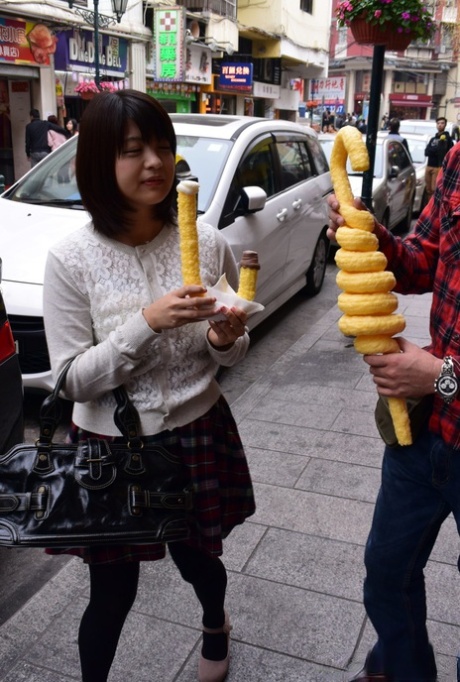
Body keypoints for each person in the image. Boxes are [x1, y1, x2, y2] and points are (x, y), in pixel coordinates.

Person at [42, 90, 255, 682]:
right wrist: (146, 325)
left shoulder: (209, 243)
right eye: (134, 151)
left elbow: (234, 350)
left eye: (163, 147)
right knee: (111, 593)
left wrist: (223, 340)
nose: (155, 163)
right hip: (110, 448)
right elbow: (68, 381)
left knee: (199, 561)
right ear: (99, 164)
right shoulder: (70, 258)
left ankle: (216, 624)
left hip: (196, 432)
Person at [326, 139, 460, 681]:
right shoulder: (457, 161)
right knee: (387, 573)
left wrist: (443, 375)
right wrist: (368, 234)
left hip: (436, 391)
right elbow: (422, 258)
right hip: (426, 431)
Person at [424, 116, 454, 200]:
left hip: (438, 167)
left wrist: (434, 150)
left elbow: (443, 152)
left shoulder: (447, 139)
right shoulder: (433, 139)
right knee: (428, 189)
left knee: (435, 189)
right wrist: (435, 150)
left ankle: (434, 208)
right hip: (429, 165)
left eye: (442, 123)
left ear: (445, 125)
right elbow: (426, 152)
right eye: (438, 123)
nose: (440, 125)